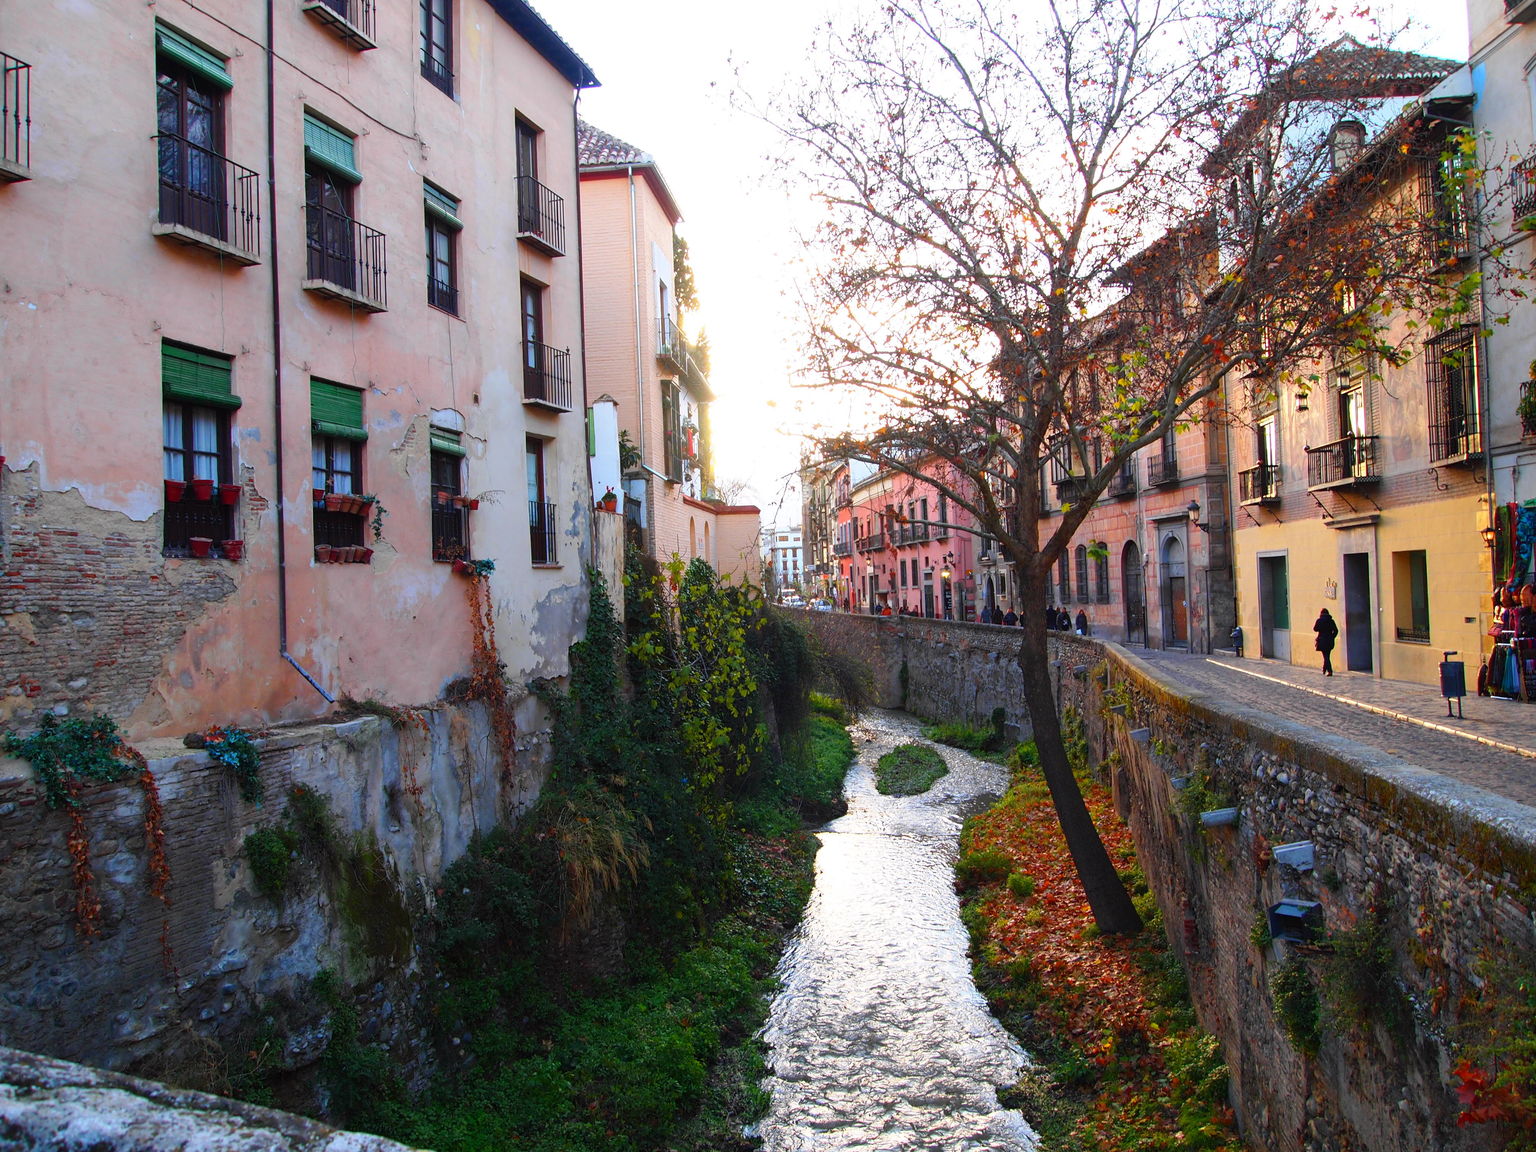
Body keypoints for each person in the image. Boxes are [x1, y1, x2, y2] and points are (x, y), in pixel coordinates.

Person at [1313, 608, 1339, 676]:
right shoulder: (1331, 621)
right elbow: (1336, 630)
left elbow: (1315, 629)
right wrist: (1332, 637)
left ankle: (1330, 671)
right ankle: (1324, 669)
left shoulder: (1319, 620)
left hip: (1322, 640)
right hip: (1330, 641)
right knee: (1327, 655)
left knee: (1326, 656)